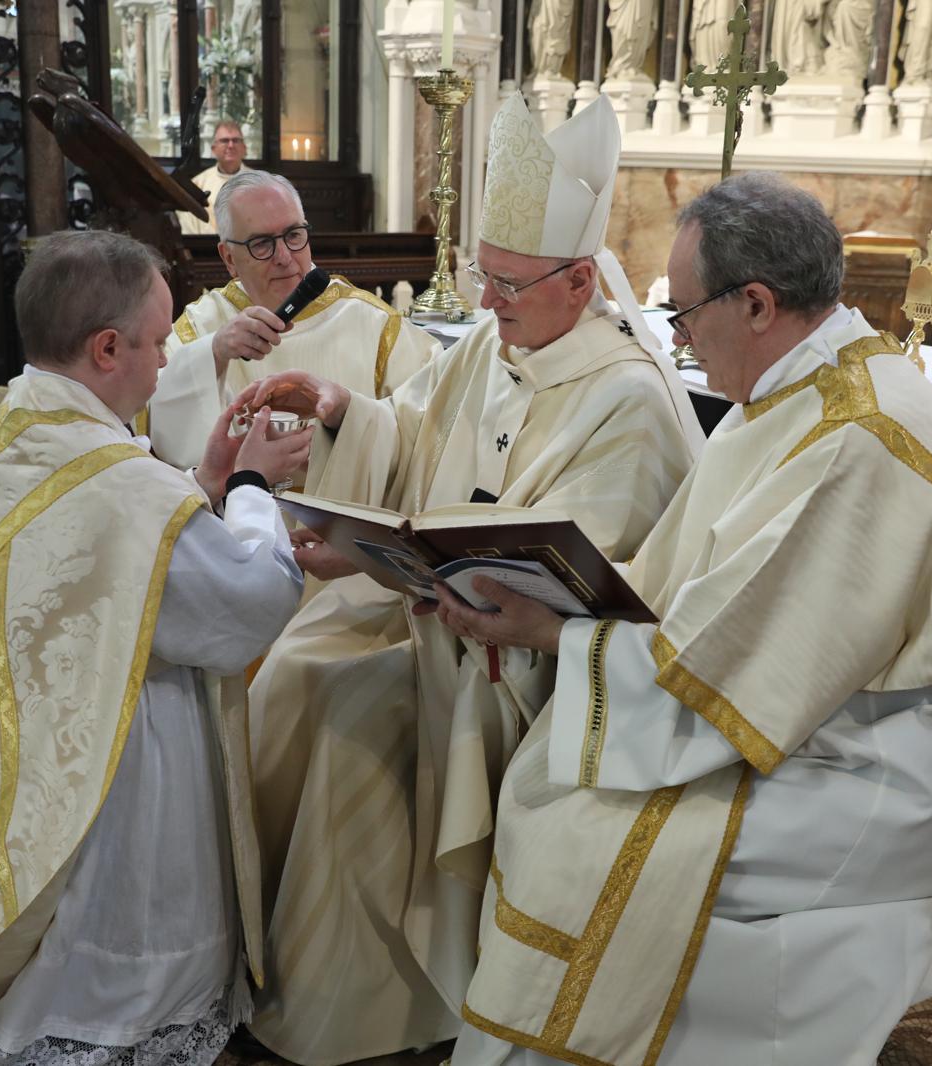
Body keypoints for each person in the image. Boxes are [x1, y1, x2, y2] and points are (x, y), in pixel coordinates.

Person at [435, 173, 932, 1066]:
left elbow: (732, 674)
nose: (681, 340)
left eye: (686, 315)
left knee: (599, 839)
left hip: (876, 764)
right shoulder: (786, 394)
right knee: (562, 795)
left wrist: (550, 635)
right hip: (803, 717)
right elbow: (704, 593)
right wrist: (552, 595)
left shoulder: (856, 439)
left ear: (759, 304)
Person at [229, 95, 705, 1065]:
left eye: (507, 285)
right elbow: (408, 426)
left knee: (343, 703)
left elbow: (598, 578)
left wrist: (472, 591)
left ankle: (359, 1008)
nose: (484, 304)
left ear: (579, 283)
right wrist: (338, 409)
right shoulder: (494, 340)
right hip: (423, 611)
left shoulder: (628, 399)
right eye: (480, 278)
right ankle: (263, 957)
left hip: (521, 664)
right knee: (286, 668)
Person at [0, 229, 314, 1065]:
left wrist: (205, 483)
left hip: (36, 738)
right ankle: (120, 1000)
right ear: (106, 347)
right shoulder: (123, 483)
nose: (165, 363)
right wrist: (255, 490)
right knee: (119, 921)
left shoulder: (3, 427)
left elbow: (103, 562)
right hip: (125, 752)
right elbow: (245, 606)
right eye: (157, 342)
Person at [144, 170, 437, 471]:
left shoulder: (373, 323)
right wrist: (214, 355)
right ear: (228, 258)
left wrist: (346, 413)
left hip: (347, 512)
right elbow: (150, 415)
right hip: (233, 514)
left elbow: (429, 418)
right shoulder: (203, 326)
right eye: (261, 243)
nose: (284, 256)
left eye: (294, 235)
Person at [179, 120, 254, 235]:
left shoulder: (260, 183)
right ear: (213, 149)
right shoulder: (197, 185)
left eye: (236, 140)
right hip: (206, 249)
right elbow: (189, 228)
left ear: (244, 148)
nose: (230, 145)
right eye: (224, 141)